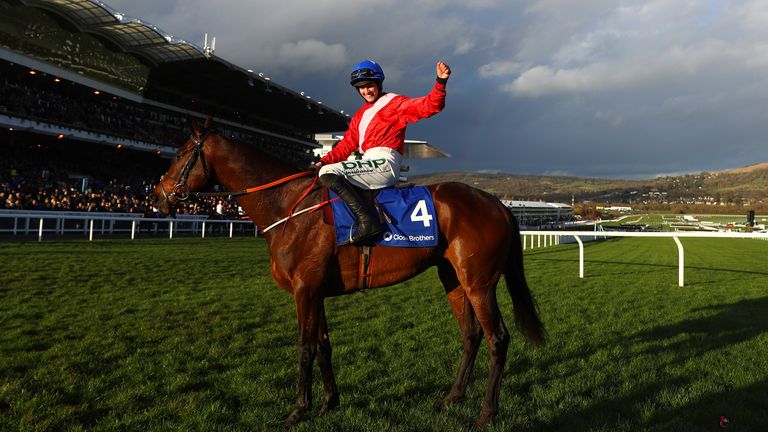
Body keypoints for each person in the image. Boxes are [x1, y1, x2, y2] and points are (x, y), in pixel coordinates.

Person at [312, 59, 451, 245]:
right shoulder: (359, 116)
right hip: (367, 162)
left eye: (369, 85)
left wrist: (440, 82)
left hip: (385, 163)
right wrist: (323, 161)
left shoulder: (394, 103)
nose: (366, 91)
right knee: (326, 170)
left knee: (329, 172)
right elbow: (346, 145)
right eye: (361, 87)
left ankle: (367, 224)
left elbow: (429, 105)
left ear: (378, 84)